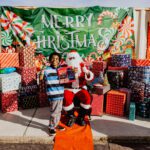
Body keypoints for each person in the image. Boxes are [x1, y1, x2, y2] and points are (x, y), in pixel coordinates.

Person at [63, 50, 94, 127]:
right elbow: (62, 79)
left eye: (74, 58)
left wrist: (86, 71)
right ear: (68, 59)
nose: (72, 60)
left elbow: (90, 78)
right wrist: (67, 74)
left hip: (80, 88)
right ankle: (71, 116)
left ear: (78, 58)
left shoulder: (83, 67)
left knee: (87, 97)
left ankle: (81, 117)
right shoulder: (64, 67)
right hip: (69, 88)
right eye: (70, 58)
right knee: (66, 98)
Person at [44, 52, 65, 136]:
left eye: (57, 59)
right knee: (54, 112)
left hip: (60, 93)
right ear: (50, 60)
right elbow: (41, 77)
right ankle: (51, 127)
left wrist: (72, 72)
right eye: (53, 58)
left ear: (59, 60)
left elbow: (69, 78)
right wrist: (42, 71)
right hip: (53, 94)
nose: (55, 60)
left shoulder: (62, 70)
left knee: (59, 111)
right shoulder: (47, 70)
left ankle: (56, 124)